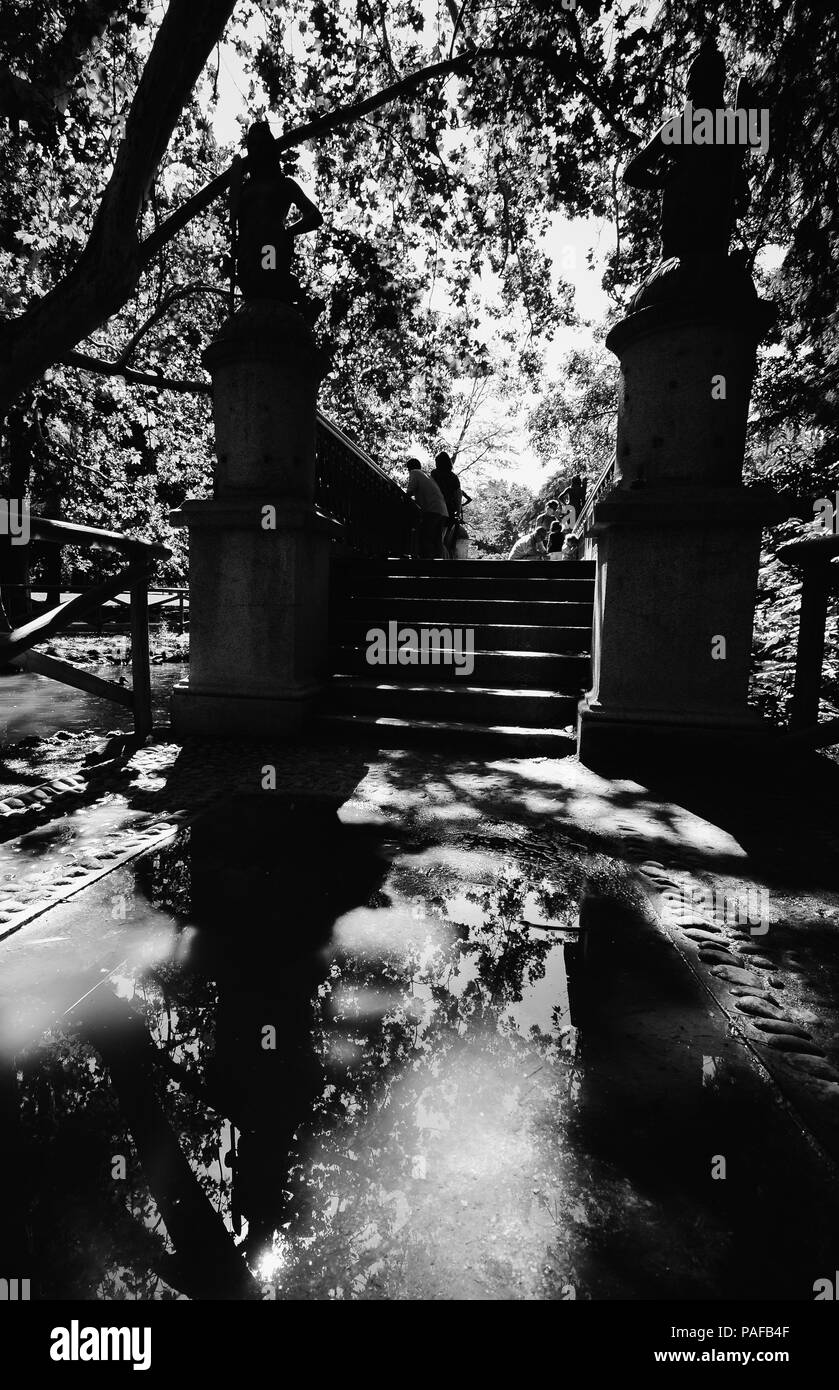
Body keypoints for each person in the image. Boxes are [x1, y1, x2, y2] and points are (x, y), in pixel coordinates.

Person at [431, 450, 472, 558]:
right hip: (448, 511)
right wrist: (458, 513)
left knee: (438, 539)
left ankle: (443, 560)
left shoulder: (434, 474)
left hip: (435, 509)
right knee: (442, 539)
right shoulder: (453, 477)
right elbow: (458, 497)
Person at [405, 459, 449, 558]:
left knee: (425, 537)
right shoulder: (426, 476)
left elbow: (410, 491)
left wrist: (403, 500)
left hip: (432, 510)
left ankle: (426, 565)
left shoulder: (414, 472)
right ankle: (438, 567)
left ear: (409, 467)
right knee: (437, 541)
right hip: (442, 510)